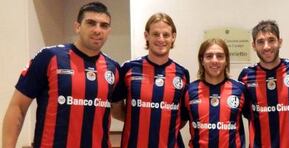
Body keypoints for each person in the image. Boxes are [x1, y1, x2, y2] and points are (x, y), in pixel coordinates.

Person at [2, 2, 120, 148]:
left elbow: (119, 110)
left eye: (104, 25)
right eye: (91, 23)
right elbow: (18, 107)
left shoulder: (114, 68)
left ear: (109, 30)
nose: (97, 30)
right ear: (77, 26)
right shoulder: (49, 57)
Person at [111, 12, 189, 148]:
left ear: (173, 37)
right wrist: (138, 119)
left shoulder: (182, 73)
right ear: (146, 35)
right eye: (155, 34)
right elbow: (116, 109)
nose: (161, 39)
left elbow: (181, 119)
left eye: (165, 34)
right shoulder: (128, 68)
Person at [238, 20, 289, 148]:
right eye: (260, 42)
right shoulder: (245, 75)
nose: (266, 46)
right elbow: (247, 113)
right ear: (253, 45)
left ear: (280, 42)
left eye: (271, 40)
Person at [182, 38, 248, 148]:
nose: (214, 60)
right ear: (202, 60)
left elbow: (254, 120)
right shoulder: (189, 91)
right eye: (209, 56)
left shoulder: (240, 89)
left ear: (226, 60)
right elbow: (179, 123)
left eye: (220, 56)